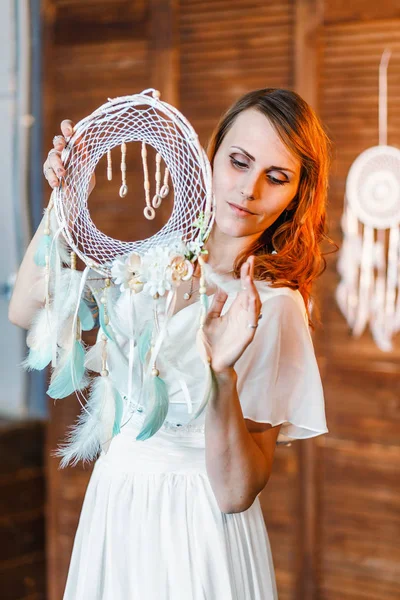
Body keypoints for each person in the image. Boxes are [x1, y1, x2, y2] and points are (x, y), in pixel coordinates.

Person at [9, 88, 333, 599]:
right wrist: (65, 200)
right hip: (115, 512)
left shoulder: (274, 307)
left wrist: (220, 372)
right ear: (211, 155)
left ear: (297, 194)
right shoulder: (149, 262)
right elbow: (26, 309)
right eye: (240, 162)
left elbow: (234, 492)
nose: (249, 190)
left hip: (198, 532)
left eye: (276, 177)